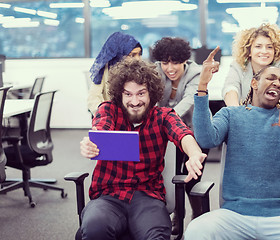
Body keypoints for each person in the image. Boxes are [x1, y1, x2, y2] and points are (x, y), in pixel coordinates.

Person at [184, 47, 280, 240]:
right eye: (271, 78)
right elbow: (206, 139)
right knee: (195, 231)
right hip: (234, 215)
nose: (277, 83)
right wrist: (202, 86)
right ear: (254, 83)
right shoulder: (231, 114)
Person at [79, 58, 206, 240]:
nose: (135, 101)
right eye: (128, 94)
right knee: (94, 230)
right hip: (108, 196)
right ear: (120, 95)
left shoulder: (163, 116)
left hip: (147, 196)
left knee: (157, 235)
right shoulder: (109, 110)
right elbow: (100, 127)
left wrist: (193, 153)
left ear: (151, 94)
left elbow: (182, 134)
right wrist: (91, 143)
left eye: (141, 94)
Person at [151, 36, 207, 234]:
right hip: (165, 129)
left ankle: (197, 213)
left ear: (184, 59)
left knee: (190, 176)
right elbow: (152, 100)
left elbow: (187, 102)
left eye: (175, 62)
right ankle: (177, 215)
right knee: (168, 174)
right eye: (165, 62)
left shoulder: (196, 73)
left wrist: (162, 118)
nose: (170, 68)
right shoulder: (155, 71)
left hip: (193, 128)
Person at [222, 23, 280, 106]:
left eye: (269, 47)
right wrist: (236, 113)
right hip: (245, 113)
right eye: (258, 46)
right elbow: (230, 87)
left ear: (275, 51)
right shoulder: (239, 65)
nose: (264, 51)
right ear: (249, 51)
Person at [87, 31, 142, 116]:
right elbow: (92, 99)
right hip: (111, 116)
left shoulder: (142, 71)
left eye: (139, 54)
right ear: (119, 55)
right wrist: (106, 114)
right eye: (132, 55)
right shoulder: (104, 70)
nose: (138, 59)